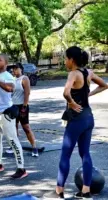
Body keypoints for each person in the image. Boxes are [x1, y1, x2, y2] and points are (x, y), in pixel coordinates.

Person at [44, 46, 108, 199]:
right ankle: (86, 191)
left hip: (77, 119)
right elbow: (105, 85)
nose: (65, 61)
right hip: (88, 117)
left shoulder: (73, 73)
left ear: (71, 60)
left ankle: (59, 191)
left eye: (65, 59)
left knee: (65, 154)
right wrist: (88, 94)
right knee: (85, 153)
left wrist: (71, 102)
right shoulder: (88, 73)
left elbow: (66, 92)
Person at [11, 63, 38, 157]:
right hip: (13, 106)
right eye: (13, 69)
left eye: (16, 69)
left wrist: (24, 106)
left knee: (26, 127)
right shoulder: (13, 80)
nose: (14, 70)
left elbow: (27, 93)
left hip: (22, 106)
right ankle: (14, 146)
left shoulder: (24, 78)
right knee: (14, 127)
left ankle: (34, 147)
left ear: (21, 69)